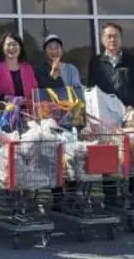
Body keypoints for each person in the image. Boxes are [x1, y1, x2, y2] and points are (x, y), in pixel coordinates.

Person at [87, 23, 134, 207]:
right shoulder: (96, 63)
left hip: (129, 117)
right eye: (108, 36)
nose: (112, 40)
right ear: (102, 40)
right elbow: (92, 90)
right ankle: (111, 198)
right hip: (107, 118)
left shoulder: (132, 62)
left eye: (115, 36)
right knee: (110, 159)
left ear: (120, 39)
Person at [35, 34, 84, 210]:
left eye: (57, 47)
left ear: (62, 50)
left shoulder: (71, 69)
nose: (54, 51)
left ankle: (71, 194)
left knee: (71, 157)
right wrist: (53, 74)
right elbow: (42, 91)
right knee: (54, 158)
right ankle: (57, 196)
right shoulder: (40, 70)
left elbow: (77, 90)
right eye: (50, 48)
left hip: (70, 119)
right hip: (51, 121)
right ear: (45, 51)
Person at [0, 32, 38, 107]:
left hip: (27, 112)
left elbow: (35, 90)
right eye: (8, 45)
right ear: (2, 47)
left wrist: (27, 101)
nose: (11, 48)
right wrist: (12, 99)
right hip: (4, 113)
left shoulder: (28, 68)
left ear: (20, 48)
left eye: (15, 44)